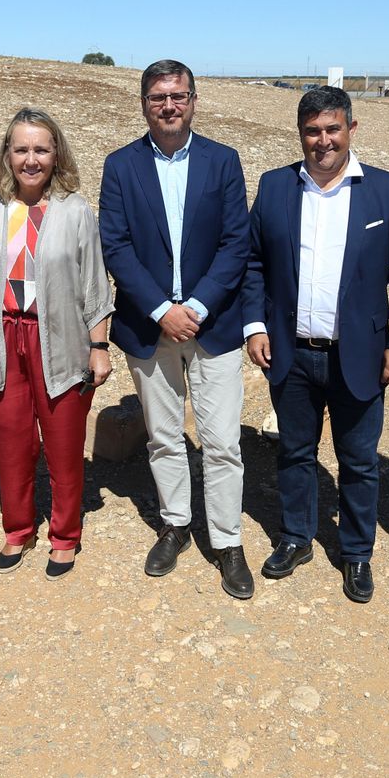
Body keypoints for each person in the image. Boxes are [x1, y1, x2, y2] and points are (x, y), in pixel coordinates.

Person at [243, 86, 389, 603]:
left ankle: (356, 553)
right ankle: (297, 537)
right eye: (312, 131)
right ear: (300, 134)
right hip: (291, 351)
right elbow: (254, 263)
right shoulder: (276, 187)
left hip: (361, 355)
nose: (322, 141)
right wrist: (254, 326)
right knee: (295, 452)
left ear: (351, 129)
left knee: (359, 459)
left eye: (332, 130)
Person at [99, 59, 255, 599]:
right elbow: (115, 246)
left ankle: (228, 540)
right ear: (144, 103)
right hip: (149, 327)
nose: (169, 105)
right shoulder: (121, 166)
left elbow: (237, 243)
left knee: (221, 441)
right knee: (164, 437)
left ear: (193, 100)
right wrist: (162, 310)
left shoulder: (223, 161)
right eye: (158, 97)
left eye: (179, 96)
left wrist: (198, 306)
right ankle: (175, 524)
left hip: (214, 325)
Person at [0, 108, 114, 578]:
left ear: (56, 154)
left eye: (41, 149)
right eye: (22, 149)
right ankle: (18, 528)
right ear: (7, 155)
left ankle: (65, 536)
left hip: (62, 339)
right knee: (10, 441)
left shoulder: (75, 211)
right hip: (3, 336)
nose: (31, 159)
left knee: (63, 445)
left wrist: (99, 345)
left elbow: (94, 284)